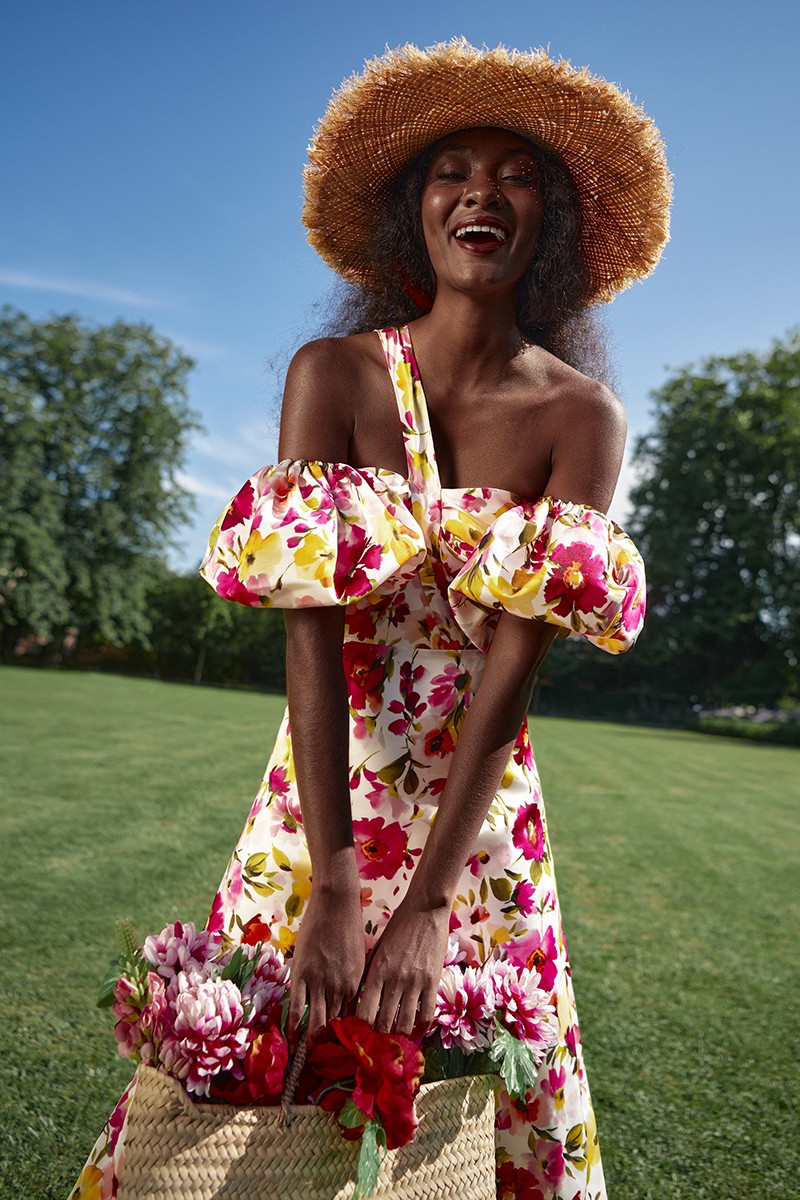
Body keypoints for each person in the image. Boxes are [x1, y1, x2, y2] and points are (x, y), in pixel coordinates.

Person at [71, 40, 670, 1200]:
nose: (481, 191)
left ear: (552, 220)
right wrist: (338, 885)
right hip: (317, 801)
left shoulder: (580, 418)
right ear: (416, 212)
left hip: (479, 834)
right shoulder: (332, 376)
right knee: (231, 1082)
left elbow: (510, 675)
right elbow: (311, 638)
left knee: (487, 1117)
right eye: (452, 168)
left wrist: (433, 905)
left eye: (517, 173)